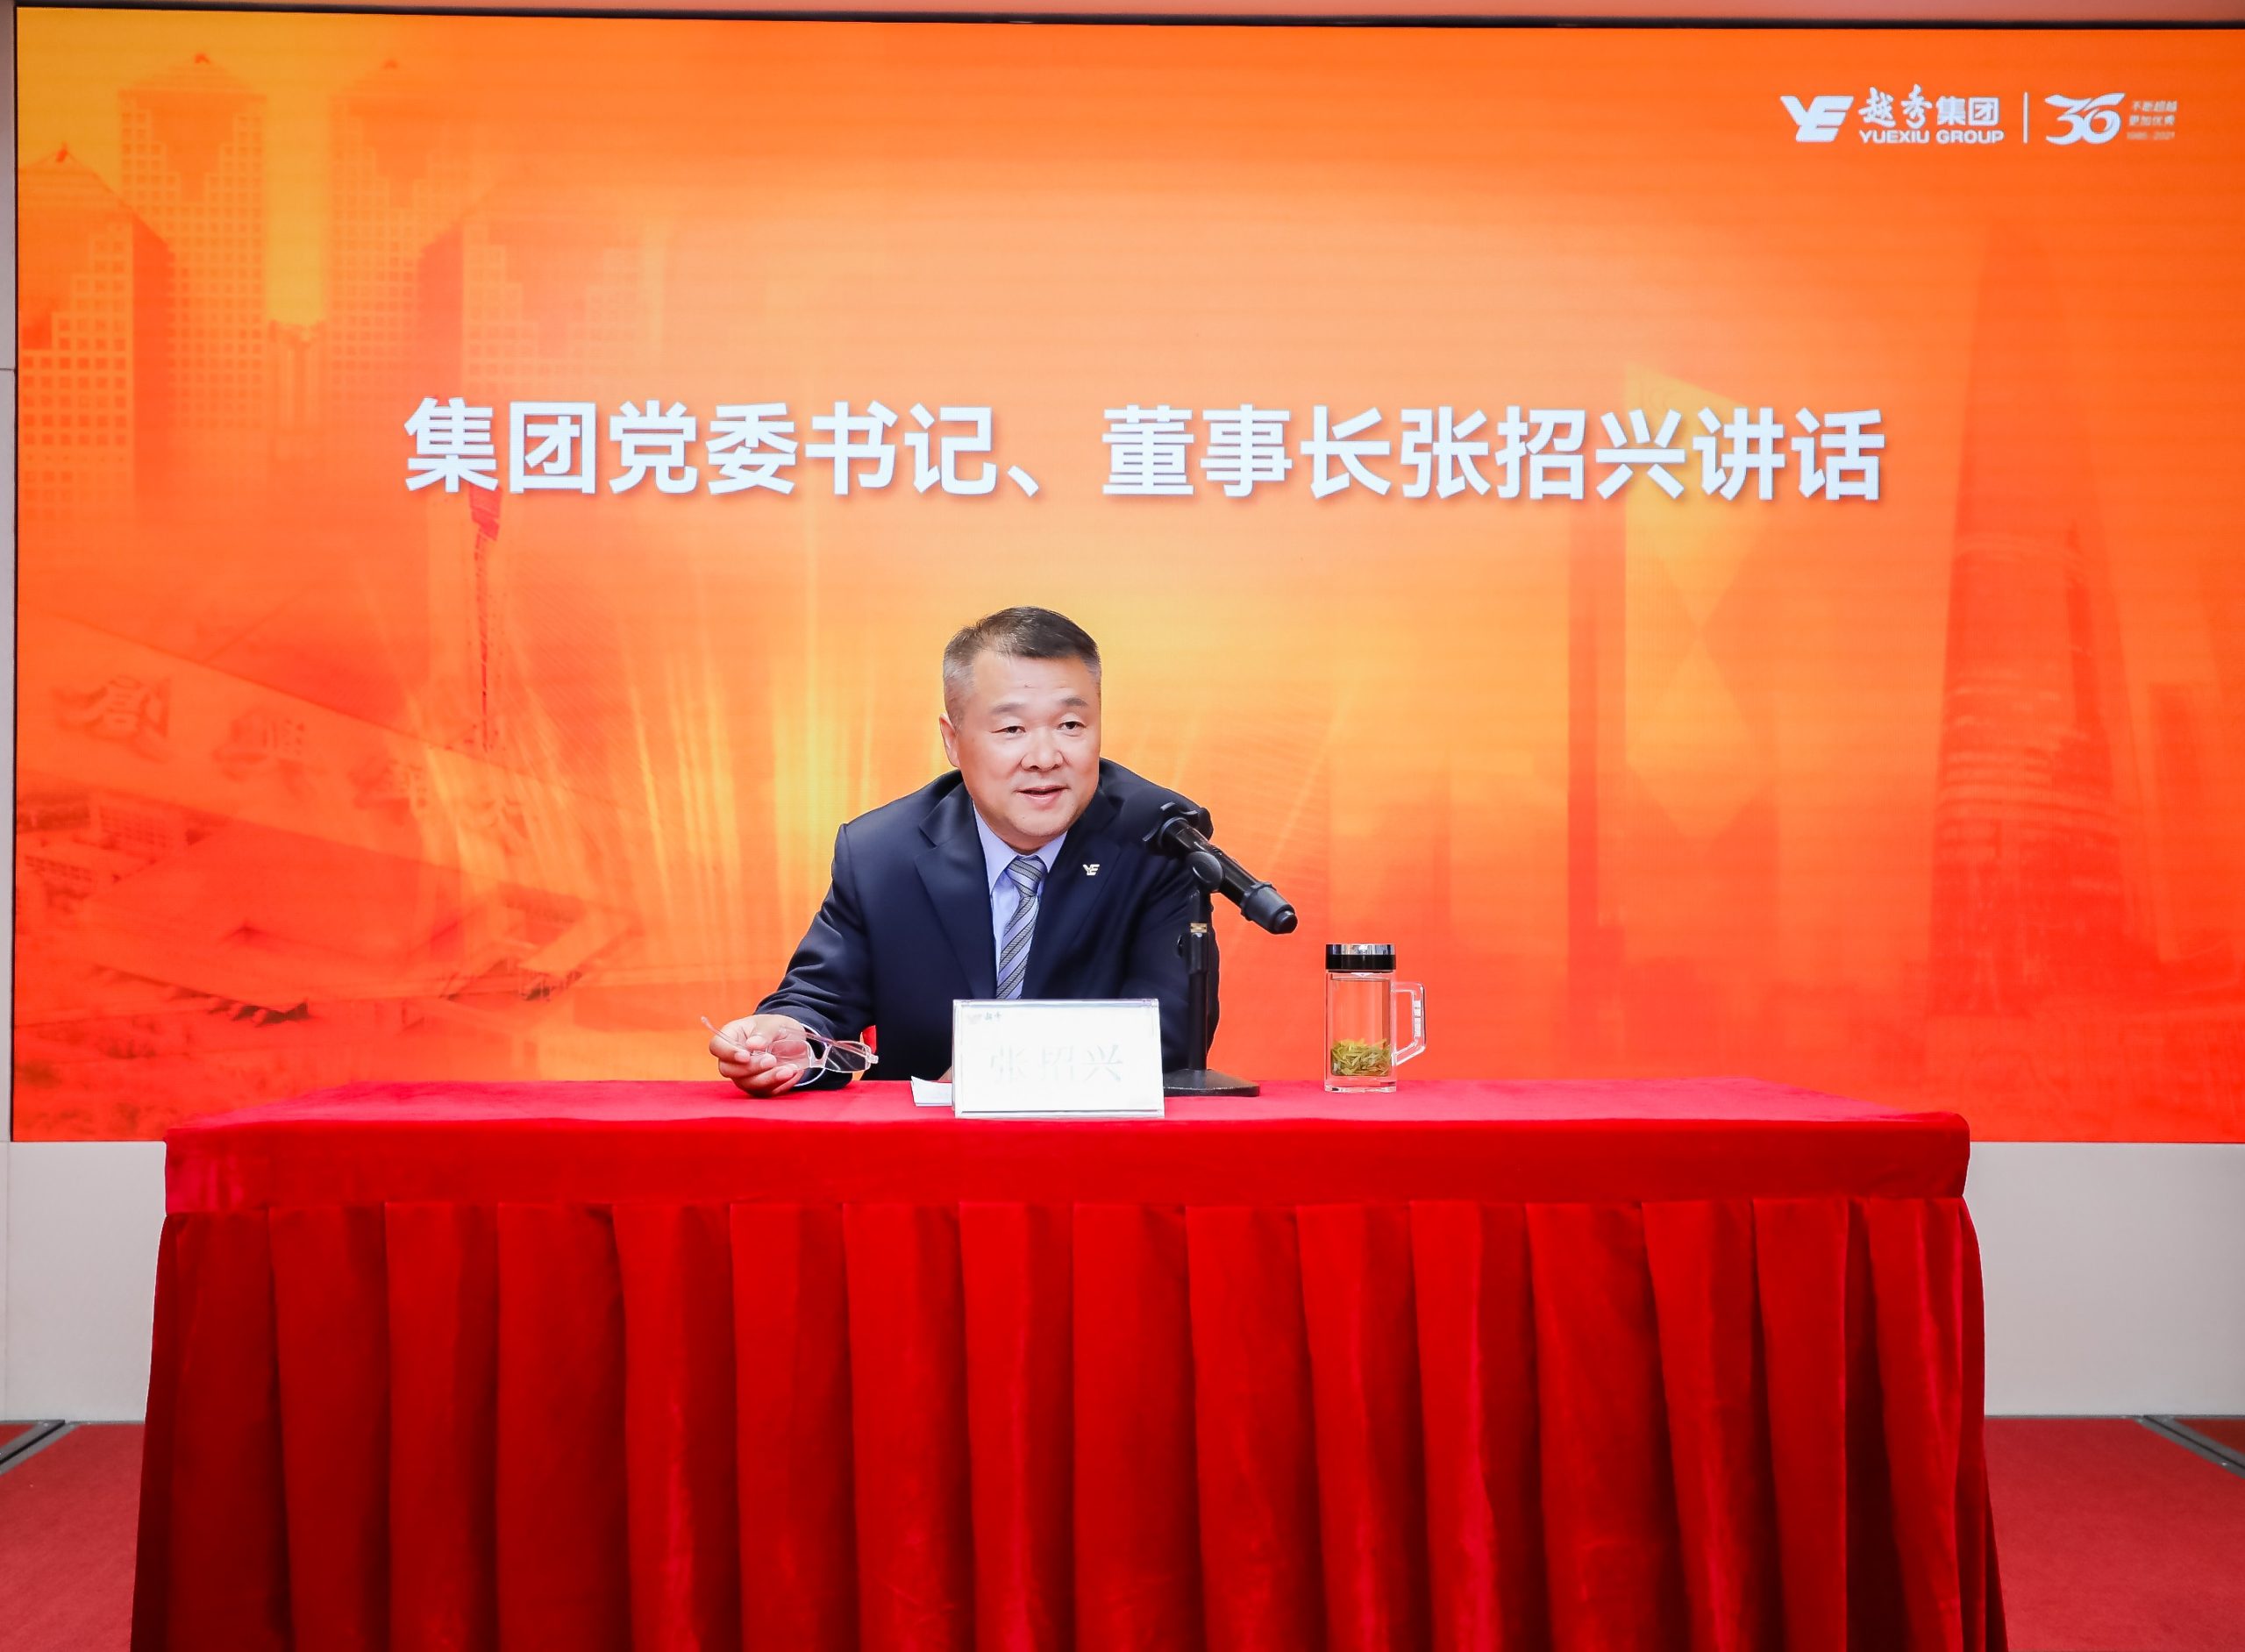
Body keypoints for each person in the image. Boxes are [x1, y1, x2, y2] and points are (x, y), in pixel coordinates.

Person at [709, 606, 1216, 1094]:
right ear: (952, 741)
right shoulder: (881, 854)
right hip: (923, 1148)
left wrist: (997, 1070)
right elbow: (821, 1003)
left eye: (1071, 726)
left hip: (1094, 1143)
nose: (1044, 757)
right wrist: (792, 1039)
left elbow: (1168, 1033)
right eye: (1012, 729)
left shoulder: (1158, 839)